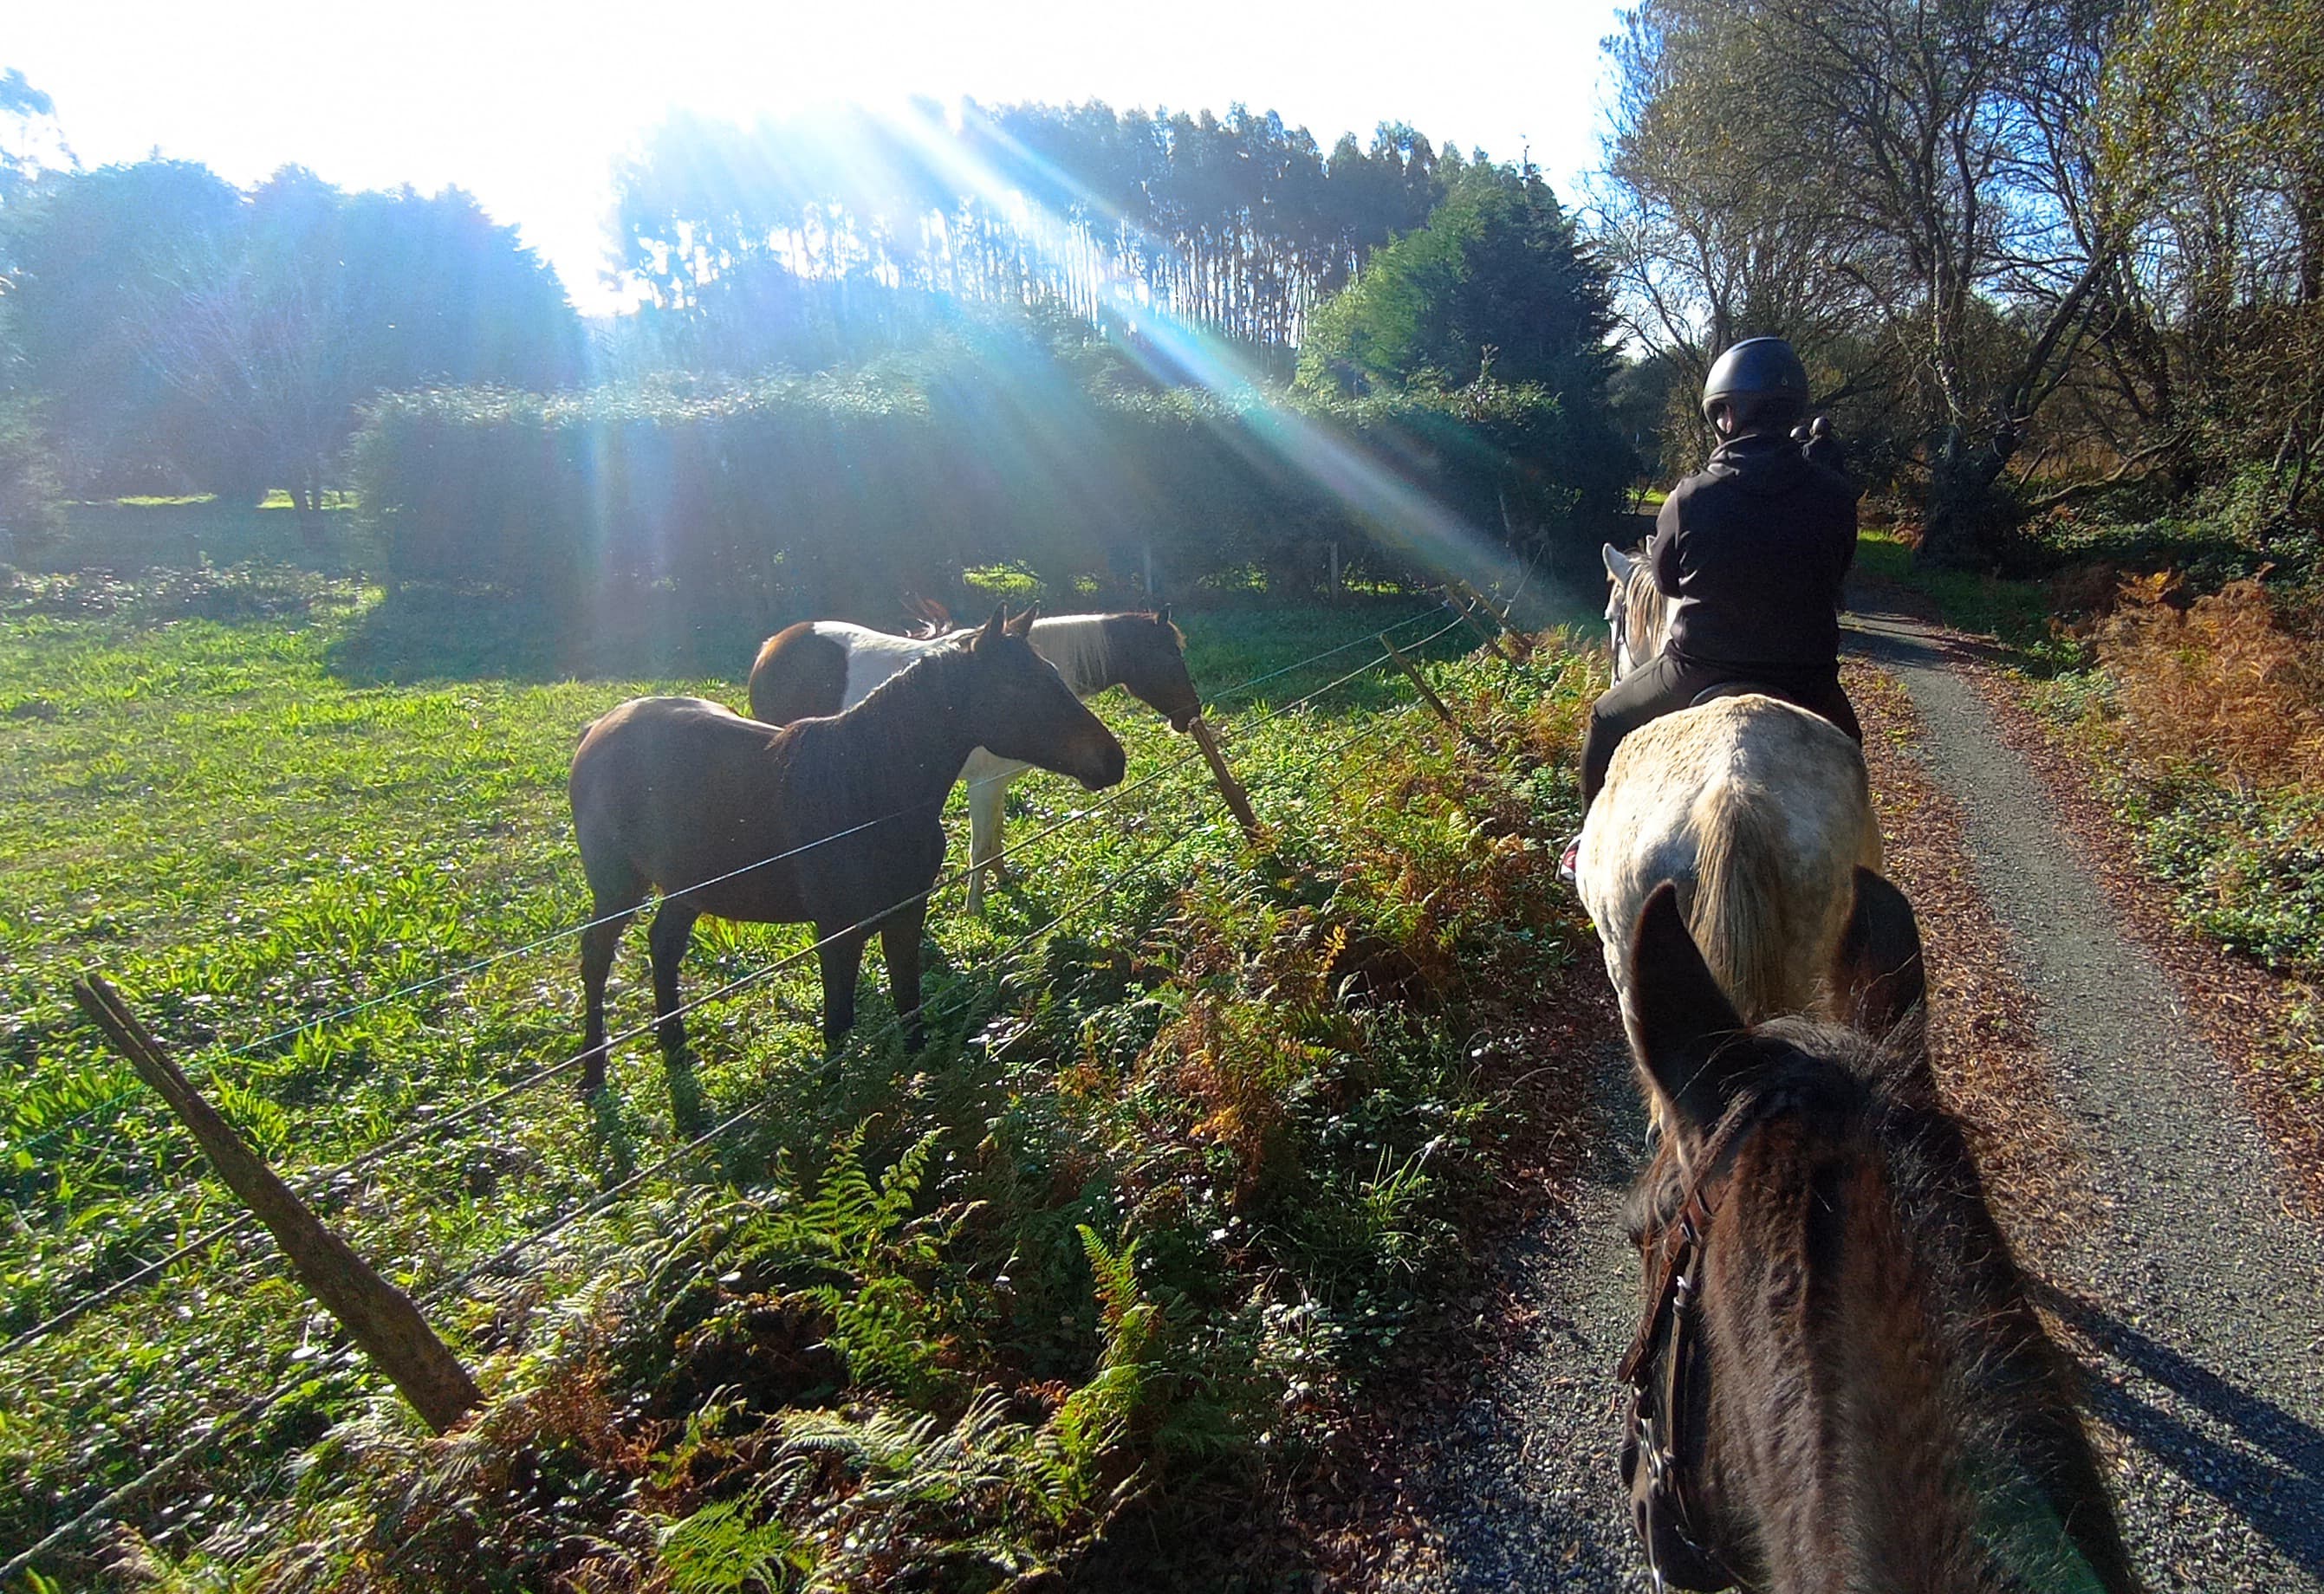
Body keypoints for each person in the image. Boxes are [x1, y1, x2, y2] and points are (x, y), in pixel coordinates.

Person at [1560, 336, 1861, 884]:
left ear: (1726, 413)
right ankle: (1861, 872)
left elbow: (1668, 579)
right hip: (1808, 677)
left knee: (1604, 717)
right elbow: (1838, 575)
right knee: (1849, 756)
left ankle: (1588, 847)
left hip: (1701, 667)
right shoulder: (1835, 494)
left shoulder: (1692, 496)